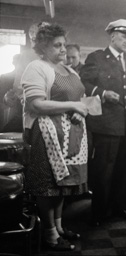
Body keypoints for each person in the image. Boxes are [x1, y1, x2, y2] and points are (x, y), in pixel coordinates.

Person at [21, 23, 89, 251]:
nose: (62, 49)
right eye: (56, 45)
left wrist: (81, 111)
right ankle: (49, 234)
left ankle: (59, 228)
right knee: (47, 186)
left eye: (63, 44)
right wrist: (72, 105)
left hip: (70, 135)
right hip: (47, 135)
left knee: (62, 186)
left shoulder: (69, 70)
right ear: (42, 47)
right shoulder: (36, 67)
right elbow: (36, 103)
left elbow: (82, 98)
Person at [80, 19, 126, 226]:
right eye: (124, 37)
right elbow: (84, 83)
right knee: (104, 170)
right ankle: (99, 212)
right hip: (106, 123)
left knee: (124, 169)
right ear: (112, 36)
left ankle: (120, 206)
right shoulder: (97, 58)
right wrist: (103, 93)